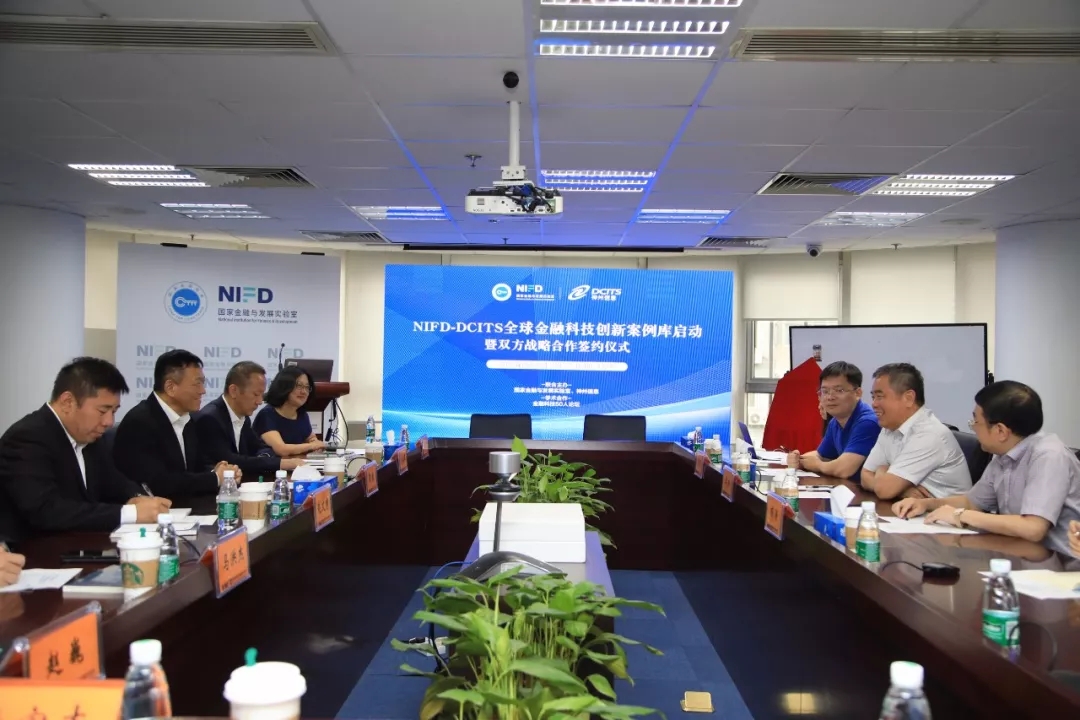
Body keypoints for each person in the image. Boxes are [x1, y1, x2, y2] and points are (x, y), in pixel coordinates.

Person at [893, 381, 1080, 556]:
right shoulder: (1004, 453)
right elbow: (971, 502)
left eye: (976, 422)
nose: (973, 428)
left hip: (1060, 566)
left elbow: (1033, 528)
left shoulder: (1049, 456)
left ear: (1001, 431)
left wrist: (960, 515)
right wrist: (926, 504)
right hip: (1018, 555)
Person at [0, 358, 171, 543]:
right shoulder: (27, 438)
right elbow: (46, 511)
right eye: (103, 411)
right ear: (67, 402)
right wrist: (130, 513)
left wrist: (140, 498)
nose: (109, 422)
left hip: (82, 546)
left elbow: (114, 482)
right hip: (35, 551)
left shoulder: (89, 437)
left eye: (114, 411)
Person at [114, 350, 239, 499]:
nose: (203, 391)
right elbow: (160, 484)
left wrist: (219, 472)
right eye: (197, 384)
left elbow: (195, 469)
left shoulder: (188, 420)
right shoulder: (139, 423)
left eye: (203, 383)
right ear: (170, 387)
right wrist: (215, 478)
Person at [860, 363, 971, 500]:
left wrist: (882, 471)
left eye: (880, 397)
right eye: (873, 397)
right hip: (912, 508)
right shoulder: (889, 427)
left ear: (909, 398)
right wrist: (902, 490)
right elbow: (865, 475)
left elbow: (885, 490)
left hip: (944, 511)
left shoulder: (929, 434)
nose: (874, 404)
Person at [194, 361, 304, 477]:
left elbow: (261, 447)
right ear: (234, 391)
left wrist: (264, 458)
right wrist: (280, 463)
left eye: (262, 395)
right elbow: (229, 460)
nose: (260, 401)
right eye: (256, 394)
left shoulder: (244, 417)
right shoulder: (210, 418)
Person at [788, 361, 880, 480]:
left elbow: (844, 469)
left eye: (839, 390)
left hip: (868, 490)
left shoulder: (868, 422)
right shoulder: (835, 421)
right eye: (825, 391)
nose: (830, 397)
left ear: (858, 393)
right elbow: (821, 456)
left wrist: (817, 465)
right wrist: (799, 459)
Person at [253, 366, 326, 457]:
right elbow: (281, 449)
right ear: (284, 386)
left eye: (307, 387)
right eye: (299, 386)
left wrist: (314, 442)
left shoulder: (301, 415)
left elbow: (311, 438)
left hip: (295, 464)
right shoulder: (267, 415)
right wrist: (312, 446)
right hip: (271, 465)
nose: (304, 392)